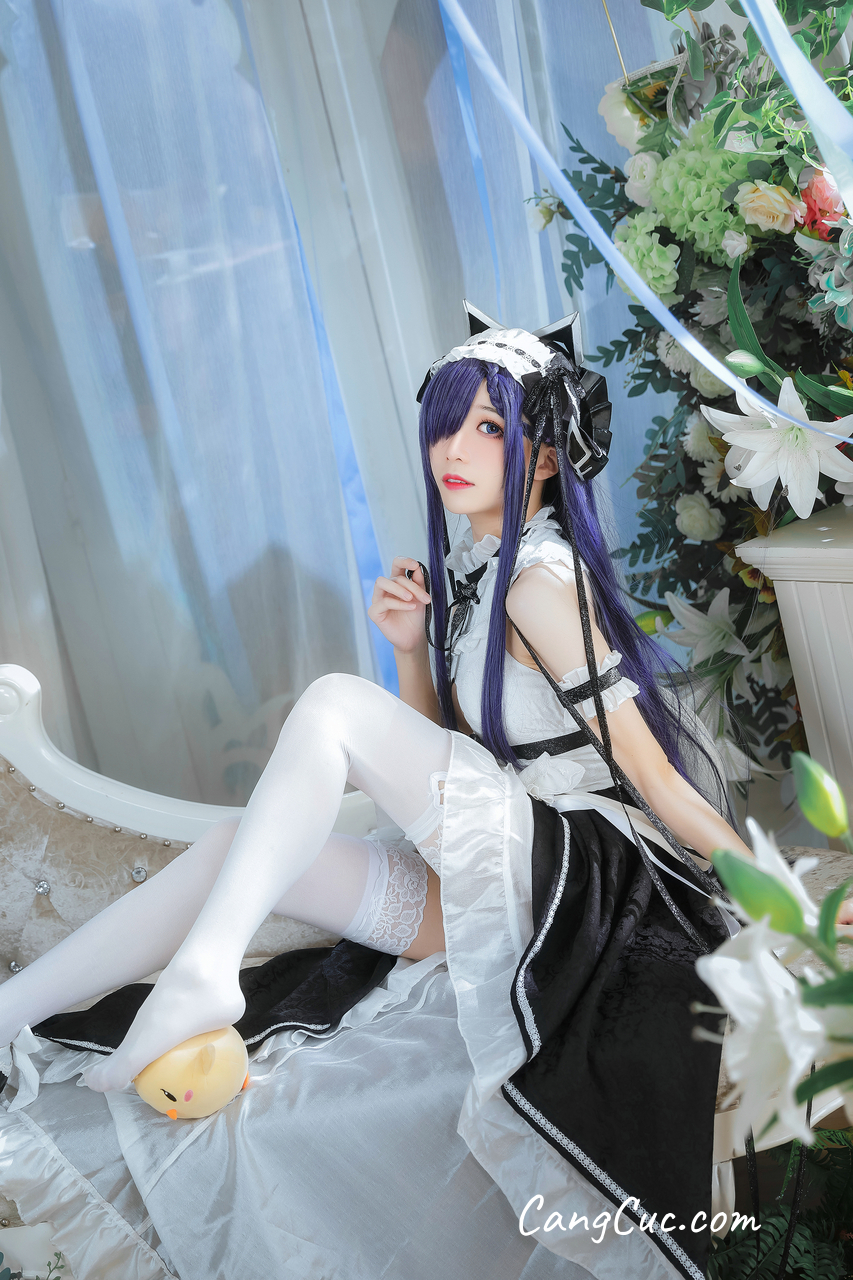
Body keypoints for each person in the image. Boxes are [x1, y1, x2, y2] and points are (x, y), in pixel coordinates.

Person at [1, 308, 844, 1280]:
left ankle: (206, 972)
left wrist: (783, 897)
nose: (454, 448)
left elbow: (654, 776)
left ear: (542, 459)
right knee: (232, 847)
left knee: (332, 701)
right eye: (446, 425)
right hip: (502, 873)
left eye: (488, 427)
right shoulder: (481, 577)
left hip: (575, 876)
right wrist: (412, 652)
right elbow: (456, 756)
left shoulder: (539, 582)